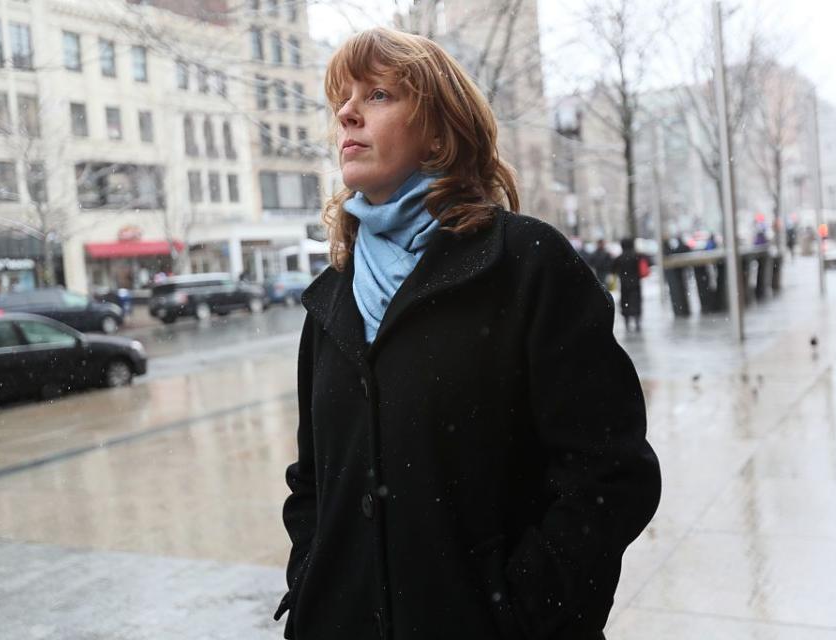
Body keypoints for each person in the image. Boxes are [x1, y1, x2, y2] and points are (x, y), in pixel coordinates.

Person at [274, 28, 661, 640]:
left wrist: (526, 611)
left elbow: (609, 474)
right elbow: (315, 482)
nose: (346, 112)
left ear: (439, 131)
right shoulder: (332, 295)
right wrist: (310, 581)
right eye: (341, 100)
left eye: (377, 95)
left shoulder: (528, 264)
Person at [611, 238, 644, 332]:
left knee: (625, 302)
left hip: (624, 284)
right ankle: (637, 320)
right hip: (635, 283)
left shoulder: (619, 258)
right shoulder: (636, 256)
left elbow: (613, 269)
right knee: (636, 301)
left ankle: (627, 321)